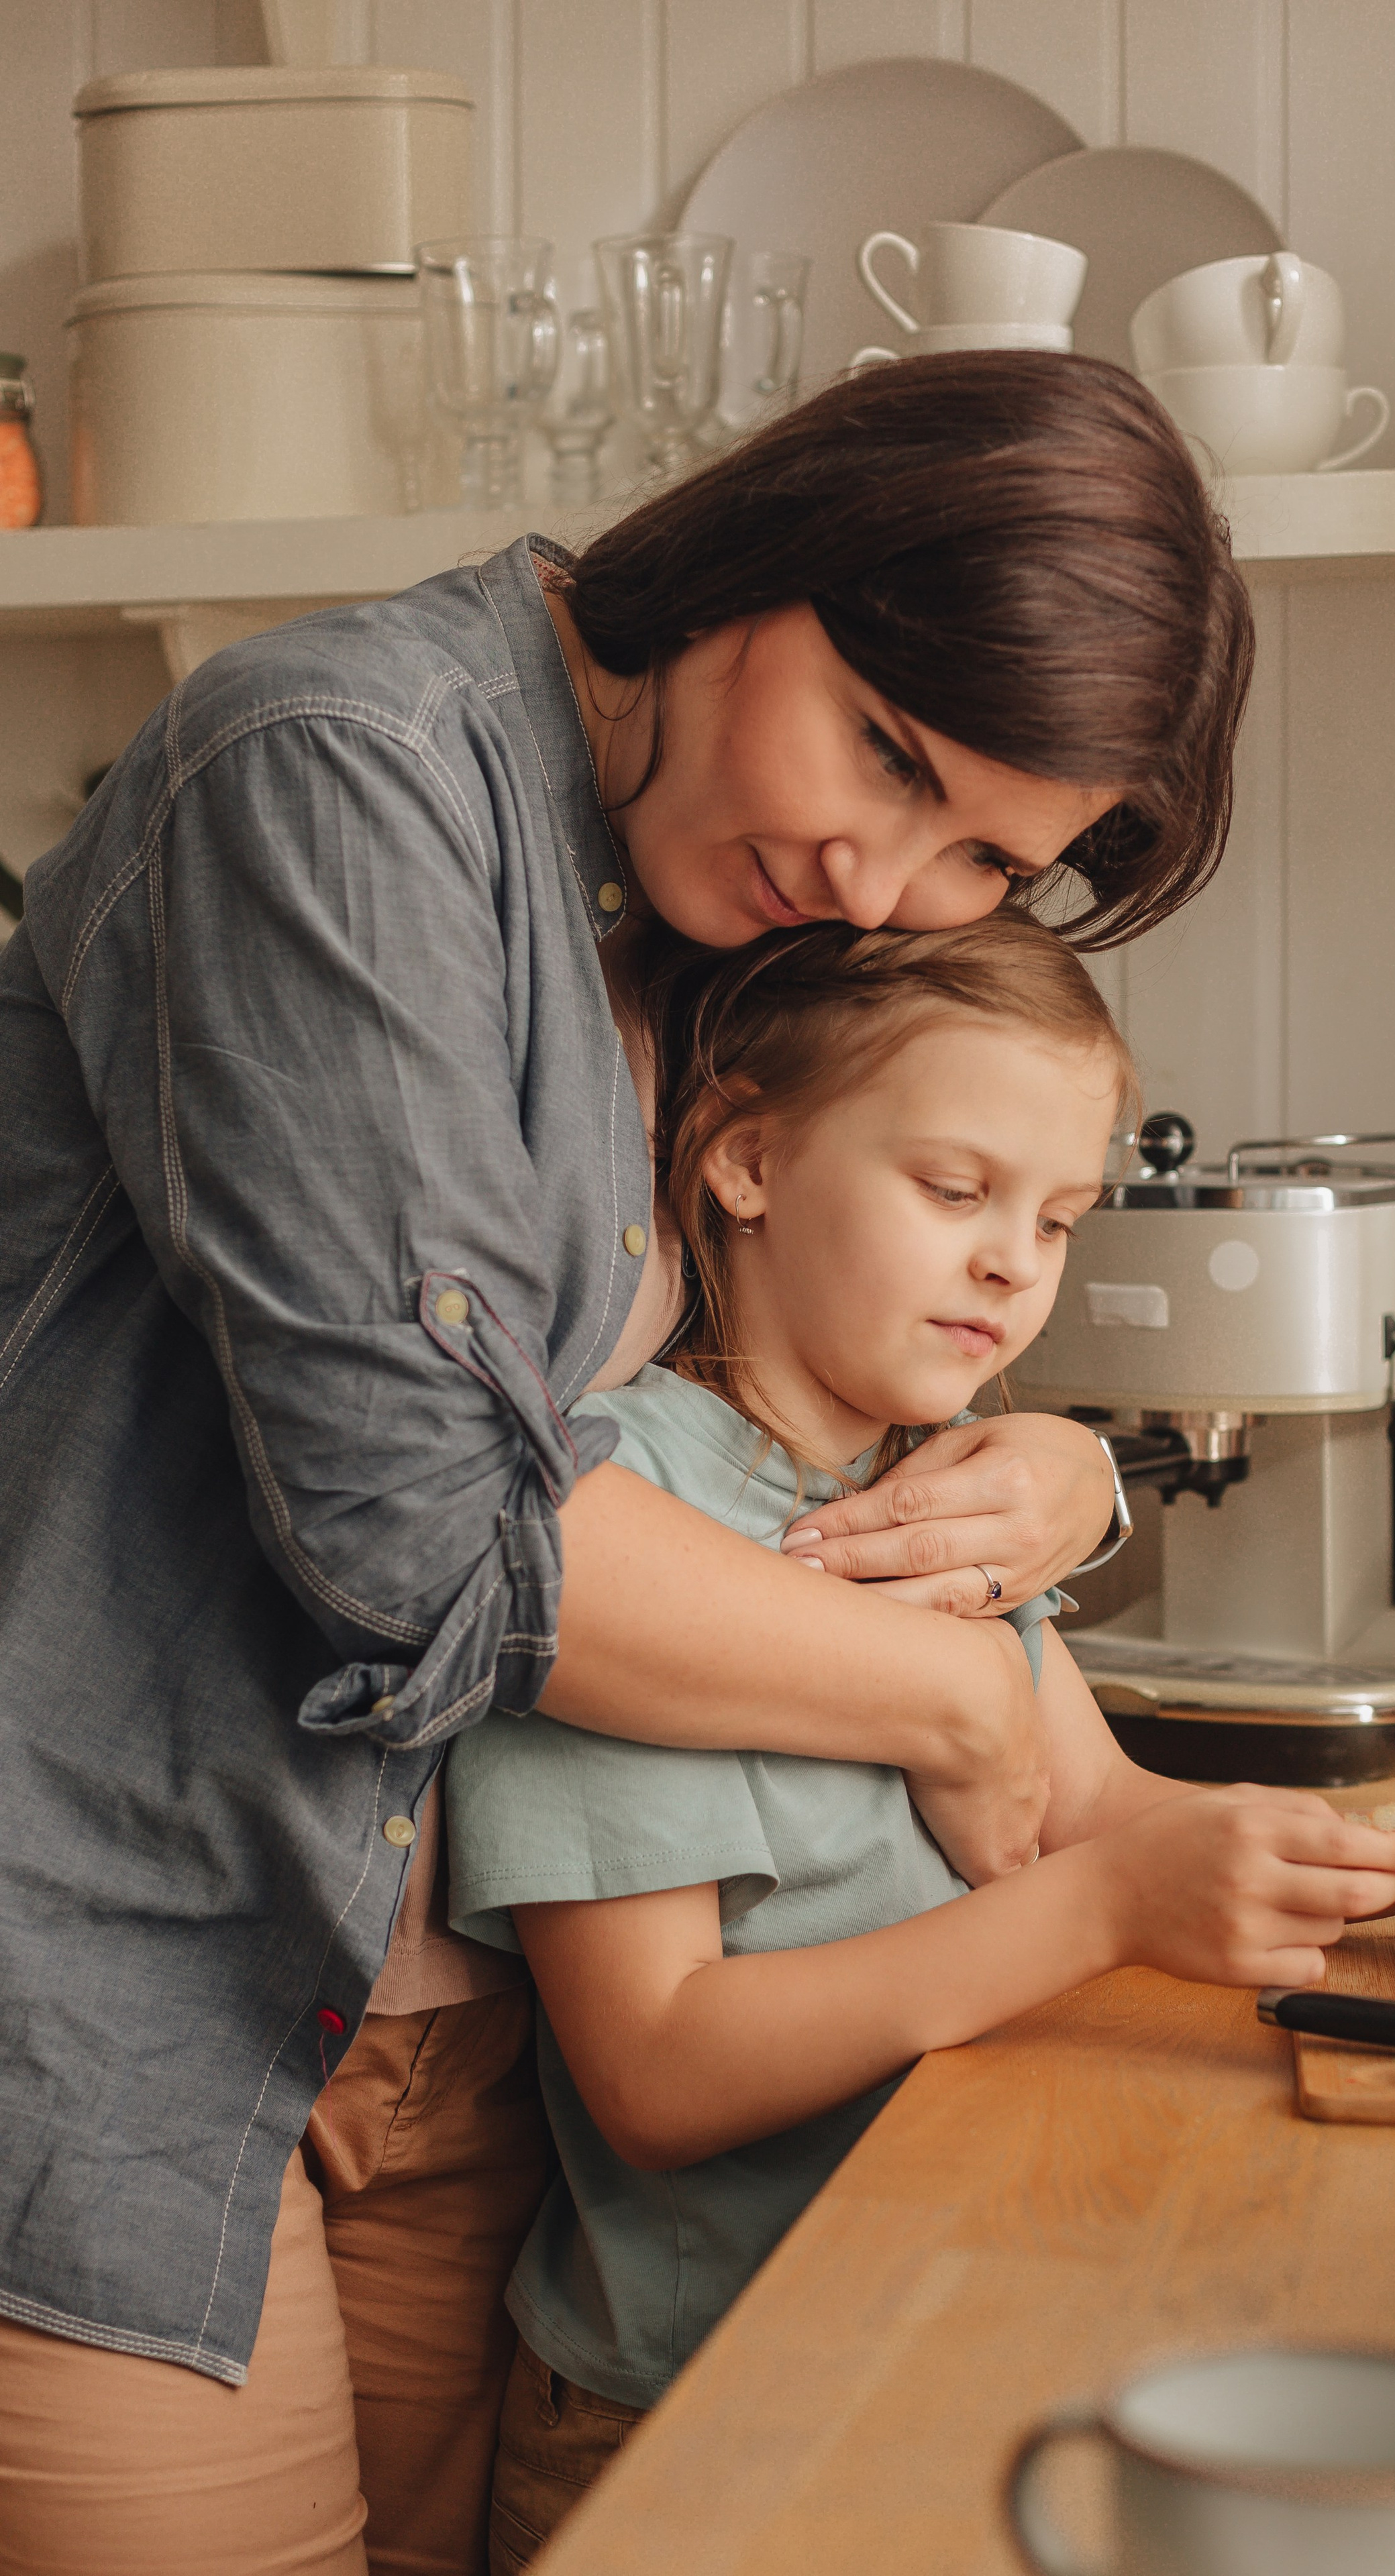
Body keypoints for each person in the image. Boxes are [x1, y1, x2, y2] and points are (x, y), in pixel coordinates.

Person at [0, 354, 1256, 2576]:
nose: (880, 871)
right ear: (777, 549)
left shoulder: (702, 911)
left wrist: (1052, 1466)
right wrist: (961, 1693)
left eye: (982, 852)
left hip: (454, 2057)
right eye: (886, 751)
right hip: (116, 2014)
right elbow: (425, 1552)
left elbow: (839, 1323)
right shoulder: (331, 770)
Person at [443, 912, 1395, 2572]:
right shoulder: (627, 1527)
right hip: (687, 2389)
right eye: (954, 1191)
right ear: (746, 1158)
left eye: (1053, 1218)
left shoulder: (939, 1485)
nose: (1012, 1265)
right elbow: (657, 2074)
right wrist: (1102, 1915)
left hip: (936, 2259)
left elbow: (1093, 1805)